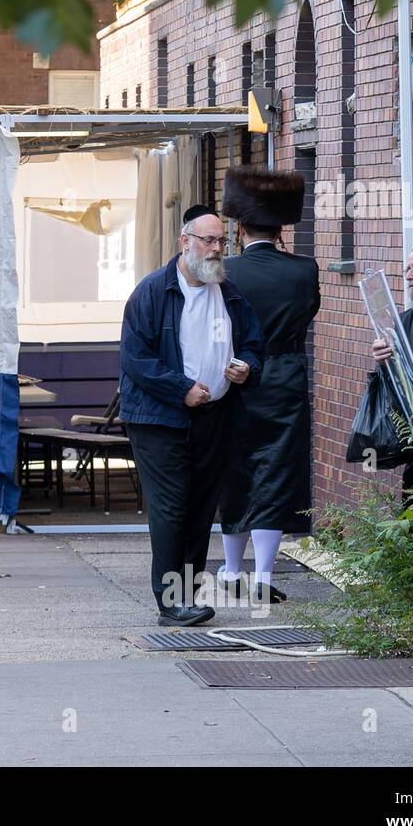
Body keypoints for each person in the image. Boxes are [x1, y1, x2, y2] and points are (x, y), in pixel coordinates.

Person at [121, 206, 264, 627]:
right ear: (185, 242)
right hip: (159, 419)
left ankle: (188, 595)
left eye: (222, 241)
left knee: (202, 508)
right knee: (171, 507)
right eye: (209, 240)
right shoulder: (152, 292)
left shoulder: (230, 294)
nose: (218, 248)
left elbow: (255, 344)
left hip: (214, 416)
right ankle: (171, 602)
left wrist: (248, 368)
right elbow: (136, 359)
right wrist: (181, 389)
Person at [218, 166, 321, 604]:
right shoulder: (305, 269)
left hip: (237, 375)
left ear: (238, 225)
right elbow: (309, 313)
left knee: (236, 470)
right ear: (281, 227)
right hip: (286, 377)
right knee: (278, 471)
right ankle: (262, 575)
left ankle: (230, 568)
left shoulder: (224, 271)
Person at [371, 240, 413, 496]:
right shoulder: (406, 321)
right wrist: (382, 358)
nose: (408, 276)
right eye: (406, 269)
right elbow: (395, 380)